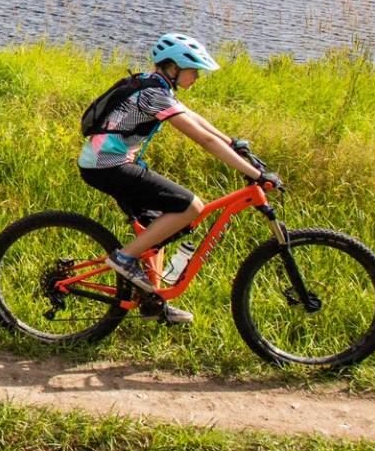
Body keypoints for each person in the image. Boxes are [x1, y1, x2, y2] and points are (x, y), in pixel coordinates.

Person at [81, 32, 278, 325]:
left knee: (156, 228)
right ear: (173, 67)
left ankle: (152, 301)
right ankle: (123, 259)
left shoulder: (155, 86)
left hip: (110, 162)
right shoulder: (153, 94)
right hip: (107, 166)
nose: (196, 77)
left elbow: (195, 118)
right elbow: (203, 140)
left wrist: (232, 141)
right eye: (193, 70)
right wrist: (255, 174)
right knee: (191, 207)